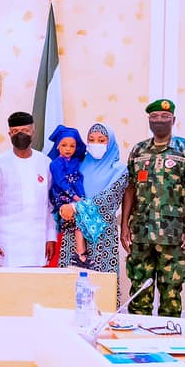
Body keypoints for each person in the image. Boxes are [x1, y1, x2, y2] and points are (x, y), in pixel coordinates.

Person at [121, 99, 185, 317]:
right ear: (149, 121)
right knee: (139, 292)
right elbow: (129, 189)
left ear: (173, 120)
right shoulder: (139, 150)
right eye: (154, 117)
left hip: (174, 235)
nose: (159, 121)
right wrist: (124, 226)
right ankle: (138, 342)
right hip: (141, 233)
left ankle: (168, 343)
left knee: (171, 295)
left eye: (165, 117)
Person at [56, 124, 129, 302]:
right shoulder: (78, 165)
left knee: (101, 285)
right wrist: (64, 205)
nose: (96, 143)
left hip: (102, 235)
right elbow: (65, 189)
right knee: (72, 284)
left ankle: (102, 322)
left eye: (101, 140)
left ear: (110, 143)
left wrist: (75, 208)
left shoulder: (120, 170)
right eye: (91, 140)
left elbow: (108, 199)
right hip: (73, 233)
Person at [0, 112, 56, 267]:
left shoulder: (45, 163)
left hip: (37, 241)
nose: (20, 135)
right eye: (16, 132)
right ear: (9, 134)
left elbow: (51, 204)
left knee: (36, 288)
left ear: (33, 131)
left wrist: (51, 236)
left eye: (25, 131)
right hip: (6, 240)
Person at [48, 124, 102, 266]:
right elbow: (61, 182)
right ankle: (80, 254)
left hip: (78, 197)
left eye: (72, 146)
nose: (68, 149)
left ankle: (83, 252)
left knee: (83, 219)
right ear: (58, 146)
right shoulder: (55, 164)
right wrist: (76, 198)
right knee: (78, 220)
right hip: (62, 197)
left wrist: (80, 198)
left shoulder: (77, 161)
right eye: (64, 145)